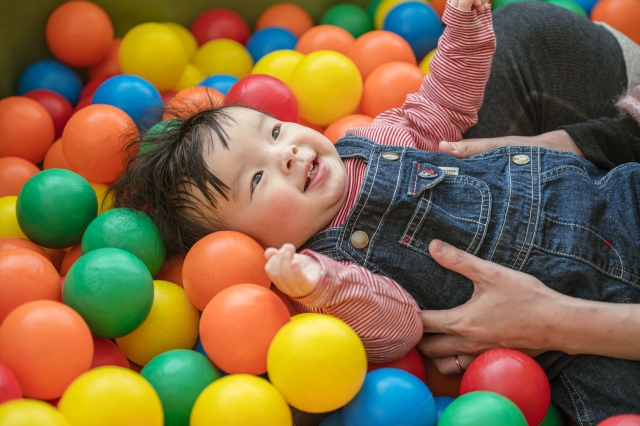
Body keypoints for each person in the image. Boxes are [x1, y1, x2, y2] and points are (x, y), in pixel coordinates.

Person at [109, 1, 640, 425]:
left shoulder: (368, 140)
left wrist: (466, 31)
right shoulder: (328, 273)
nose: (286, 153)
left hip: (607, 202)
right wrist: (322, 286)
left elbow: (441, 106)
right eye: (256, 179)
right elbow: (400, 325)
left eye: (273, 133)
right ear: (251, 244)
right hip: (577, 341)